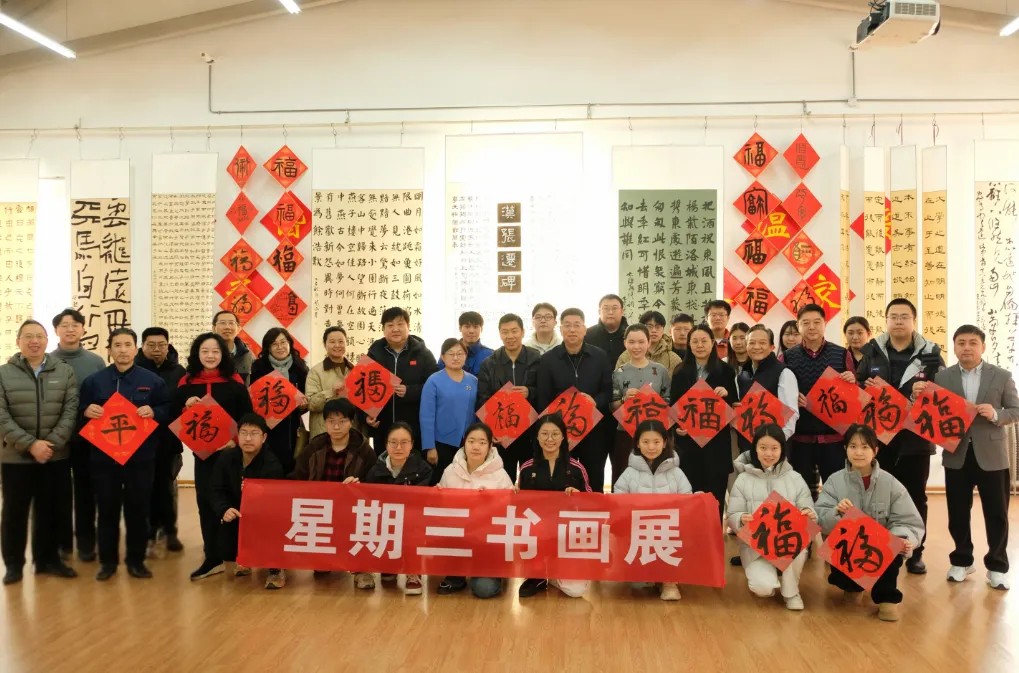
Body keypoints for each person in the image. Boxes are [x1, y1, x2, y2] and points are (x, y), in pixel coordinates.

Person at [855, 298, 944, 574]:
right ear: (886, 320)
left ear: (914, 321)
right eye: (893, 316)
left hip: (915, 440)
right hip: (879, 440)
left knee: (916, 496)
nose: (898, 321)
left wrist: (925, 391)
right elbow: (857, 389)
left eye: (904, 316)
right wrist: (864, 388)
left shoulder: (930, 354)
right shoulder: (871, 351)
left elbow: (944, 394)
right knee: (878, 495)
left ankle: (915, 551)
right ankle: (881, 548)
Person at [79, 328, 169, 581]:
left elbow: (166, 408)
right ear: (109, 350)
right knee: (106, 509)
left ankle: (136, 561)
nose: (122, 350)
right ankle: (107, 563)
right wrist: (86, 411)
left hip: (140, 458)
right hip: (104, 458)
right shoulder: (94, 381)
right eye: (117, 345)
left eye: (127, 344)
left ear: (135, 348)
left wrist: (154, 412)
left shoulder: (152, 380)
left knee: (137, 510)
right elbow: (80, 410)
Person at [935, 325, 1019, 590]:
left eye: (973, 343)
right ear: (954, 347)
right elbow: (934, 414)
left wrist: (995, 414)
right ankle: (962, 560)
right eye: (961, 343)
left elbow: (1015, 410)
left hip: (992, 455)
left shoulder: (1001, 375)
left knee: (997, 513)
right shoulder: (942, 377)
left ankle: (997, 566)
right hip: (957, 454)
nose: (967, 348)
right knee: (957, 512)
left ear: (983, 346)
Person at [816, 424, 924, 622]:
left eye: (865, 447)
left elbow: (908, 521)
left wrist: (904, 539)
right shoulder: (834, 481)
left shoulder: (890, 483)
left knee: (892, 545)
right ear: (845, 449)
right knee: (844, 576)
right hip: (848, 549)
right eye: (853, 446)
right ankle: (852, 585)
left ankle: (887, 599)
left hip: (878, 552)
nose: (858, 452)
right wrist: (837, 512)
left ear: (875, 450)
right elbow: (819, 519)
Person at [0, 320, 79, 585]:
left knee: (51, 510)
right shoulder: (3, 373)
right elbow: (1, 416)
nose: (34, 341)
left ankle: (48, 560)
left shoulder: (64, 371)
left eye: (39, 336)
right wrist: (30, 444)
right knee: (14, 512)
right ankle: (13, 565)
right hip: (15, 456)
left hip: (54, 455)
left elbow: (70, 410)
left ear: (47, 340)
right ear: (18, 341)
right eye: (28, 336)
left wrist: (50, 443)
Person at [173, 332, 252, 581]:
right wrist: (185, 406)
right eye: (205, 351)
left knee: (235, 501)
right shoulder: (186, 384)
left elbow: (247, 417)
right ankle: (213, 556)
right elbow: (173, 418)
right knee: (206, 502)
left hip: (231, 454)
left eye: (215, 351)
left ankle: (239, 553)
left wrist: (235, 441)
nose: (210, 356)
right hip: (203, 455)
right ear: (197, 354)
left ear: (223, 354)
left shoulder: (235, 382)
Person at [727, 424, 815, 611]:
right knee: (763, 589)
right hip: (755, 548)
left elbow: (808, 510)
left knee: (799, 546)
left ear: (782, 449)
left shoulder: (795, 478)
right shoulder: (743, 479)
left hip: (787, 544)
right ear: (755, 449)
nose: (769, 453)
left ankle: (791, 592)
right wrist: (741, 519)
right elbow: (732, 515)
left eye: (774, 448)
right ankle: (771, 575)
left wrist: (808, 513)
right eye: (763, 448)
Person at [291, 397, 377, 587]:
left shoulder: (364, 450)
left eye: (342, 421)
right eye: (331, 421)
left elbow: (375, 485)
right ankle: (325, 558)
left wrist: (360, 486)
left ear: (351, 422)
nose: (336, 426)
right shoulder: (314, 447)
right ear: (325, 423)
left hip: (353, 509)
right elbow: (298, 477)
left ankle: (362, 569)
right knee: (321, 570)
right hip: (322, 509)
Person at [780, 304, 856, 500]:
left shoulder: (841, 354)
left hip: (834, 440)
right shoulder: (787, 357)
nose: (811, 327)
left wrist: (852, 381)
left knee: (838, 495)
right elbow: (778, 395)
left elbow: (855, 397)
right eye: (806, 323)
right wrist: (790, 399)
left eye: (817, 322)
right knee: (802, 496)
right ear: (798, 326)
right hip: (800, 440)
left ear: (825, 324)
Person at [48, 308, 105, 562]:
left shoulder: (95, 362)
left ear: (83, 329)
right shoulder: (47, 361)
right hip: (56, 438)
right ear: (56, 330)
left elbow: (103, 398)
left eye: (75, 325)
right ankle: (62, 543)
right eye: (64, 325)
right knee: (58, 493)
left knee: (86, 492)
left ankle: (86, 542)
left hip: (88, 438)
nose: (70, 329)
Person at [613, 419, 691, 601]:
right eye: (645, 442)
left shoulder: (676, 473)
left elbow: (687, 501)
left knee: (674, 537)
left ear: (664, 443)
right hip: (639, 530)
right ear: (637, 444)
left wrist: (698, 500)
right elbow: (618, 500)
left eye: (656, 442)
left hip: (668, 530)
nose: (651, 447)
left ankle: (669, 582)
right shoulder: (630, 473)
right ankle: (650, 574)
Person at [537, 307, 613, 493]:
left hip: (594, 430)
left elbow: (609, 391)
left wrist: (596, 401)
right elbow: (543, 397)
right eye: (567, 325)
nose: (572, 330)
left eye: (577, 325)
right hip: (561, 433)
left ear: (585, 329)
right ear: (560, 329)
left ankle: (593, 510)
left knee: (594, 479)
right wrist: (550, 430)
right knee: (563, 480)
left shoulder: (600, 356)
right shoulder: (548, 359)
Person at [517, 413, 592, 599]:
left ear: (563, 437)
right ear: (537, 437)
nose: (549, 439)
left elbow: (592, 503)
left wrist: (579, 496)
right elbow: (519, 508)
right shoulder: (527, 468)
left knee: (576, 591)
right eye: (544, 434)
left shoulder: (576, 468)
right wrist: (514, 494)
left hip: (567, 535)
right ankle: (537, 574)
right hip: (537, 534)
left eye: (555, 434)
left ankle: (553, 575)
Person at [436, 422, 514, 598]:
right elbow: (440, 510)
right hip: (458, 540)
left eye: (482, 442)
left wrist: (492, 503)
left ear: (490, 446)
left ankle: (495, 574)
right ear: (464, 443)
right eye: (471, 441)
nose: (476, 447)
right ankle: (457, 575)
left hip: (487, 546)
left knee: (483, 589)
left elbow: (510, 515)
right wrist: (437, 495)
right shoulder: (450, 471)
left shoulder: (500, 475)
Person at [210, 414, 286, 589]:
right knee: (224, 532)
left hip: (264, 516)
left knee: (272, 525)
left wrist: (256, 494)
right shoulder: (227, 458)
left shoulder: (272, 464)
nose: (248, 438)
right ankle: (245, 558)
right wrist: (224, 509)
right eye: (244, 433)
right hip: (238, 511)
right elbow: (216, 489)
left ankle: (276, 568)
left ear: (264, 437)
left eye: (254, 433)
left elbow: (276, 502)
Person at [670, 325, 737, 520]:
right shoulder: (680, 371)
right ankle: (691, 535)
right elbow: (674, 406)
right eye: (695, 341)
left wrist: (726, 394)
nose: (699, 345)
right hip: (688, 444)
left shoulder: (726, 370)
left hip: (717, 445)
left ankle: (713, 534)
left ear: (712, 343)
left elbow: (734, 406)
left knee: (715, 496)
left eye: (704, 341)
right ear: (689, 345)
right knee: (689, 496)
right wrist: (677, 428)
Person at [364, 422, 433, 595]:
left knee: (414, 524)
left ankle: (413, 571)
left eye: (404, 442)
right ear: (386, 444)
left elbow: (424, 500)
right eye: (393, 442)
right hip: (386, 522)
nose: (398, 447)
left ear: (412, 444)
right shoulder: (375, 470)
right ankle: (390, 563)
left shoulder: (424, 469)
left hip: (413, 521)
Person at [136, 327, 187, 556]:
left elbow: (182, 404)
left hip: (168, 439)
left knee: (167, 488)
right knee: (143, 488)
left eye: (161, 345)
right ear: (142, 346)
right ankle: (147, 532)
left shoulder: (179, 372)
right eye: (151, 345)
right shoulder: (133, 370)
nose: (156, 349)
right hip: (139, 441)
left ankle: (169, 531)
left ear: (168, 346)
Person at [475, 313, 541, 482]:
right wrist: (491, 430)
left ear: (523, 332)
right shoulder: (489, 364)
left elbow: (545, 391)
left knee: (531, 480)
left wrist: (530, 392)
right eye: (505, 332)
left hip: (531, 432)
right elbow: (483, 398)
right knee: (503, 480)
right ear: (500, 334)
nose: (510, 336)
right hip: (502, 433)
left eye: (514, 331)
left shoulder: (537, 359)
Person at [365, 307, 438, 454]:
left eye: (400, 324)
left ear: (408, 326)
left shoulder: (423, 353)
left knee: (412, 465)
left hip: (413, 427)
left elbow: (435, 387)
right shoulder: (374, 353)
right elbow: (363, 388)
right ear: (383, 329)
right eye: (390, 325)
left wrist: (410, 391)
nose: (395, 329)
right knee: (384, 465)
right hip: (383, 428)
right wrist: (366, 416)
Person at [610, 324, 671, 485]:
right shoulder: (618, 373)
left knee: (654, 479)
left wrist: (653, 400)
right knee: (624, 477)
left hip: (654, 434)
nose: (636, 346)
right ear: (625, 343)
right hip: (625, 433)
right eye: (631, 342)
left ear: (649, 342)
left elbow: (668, 400)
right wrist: (624, 400)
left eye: (641, 342)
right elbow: (612, 405)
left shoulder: (660, 370)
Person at [249, 327, 309, 476]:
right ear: (268, 347)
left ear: (290, 344)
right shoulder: (258, 368)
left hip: (292, 427)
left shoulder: (300, 367)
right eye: (274, 344)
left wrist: (303, 406)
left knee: (290, 468)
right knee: (268, 468)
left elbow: (305, 397)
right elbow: (253, 398)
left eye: (283, 342)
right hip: (267, 426)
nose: (280, 347)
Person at [420, 338, 478, 484]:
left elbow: (478, 411)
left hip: (467, 442)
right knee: (440, 482)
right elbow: (426, 416)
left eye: (460, 353)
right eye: (451, 354)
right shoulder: (433, 381)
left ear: (466, 356)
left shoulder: (473, 381)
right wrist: (429, 446)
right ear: (442, 357)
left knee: (464, 483)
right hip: (441, 443)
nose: (456, 357)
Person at [735, 325, 799, 442]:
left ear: (771, 347)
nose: (756, 347)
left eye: (762, 343)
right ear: (746, 346)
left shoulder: (784, 373)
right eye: (752, 343)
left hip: (775, 444)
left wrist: (775, 442)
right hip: (748, 443)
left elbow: (791, 414)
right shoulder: (742, 375)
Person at [305, 326, 356, 440]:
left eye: (341, 341)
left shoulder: (355, 371)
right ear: (325, 345)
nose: (337, 345)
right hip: (323, 434)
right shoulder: (316, 372)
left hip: (351, 434)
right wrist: (331, 392)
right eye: (332, 342)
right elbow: (311, 404)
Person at [616, 310, 682, 373]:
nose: (654, 330)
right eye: (649, 326)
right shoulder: (626, 356)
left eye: (658, 327)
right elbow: (618, 378)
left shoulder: (673, 358)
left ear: (663, 329)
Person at [441, 311, 493, 376]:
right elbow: (439, 376)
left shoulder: (490, 355)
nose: (471, 331)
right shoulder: (447, 352)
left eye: (475, 327)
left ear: (481, 329)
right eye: (467, 327)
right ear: (460, 328)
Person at [585, 294, 628, 365]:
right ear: (599, 312)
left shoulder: (631, 334)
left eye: (614, 308)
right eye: (606, 308)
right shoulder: (587, 334)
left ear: (622, 311)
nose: (610, 312)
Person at [212, 310, 253, 384]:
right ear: (214, 328)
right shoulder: (205, 354)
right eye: (222, 323)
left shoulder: (247, 355)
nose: (227, 327)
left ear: (238, 328)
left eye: (231, 323)